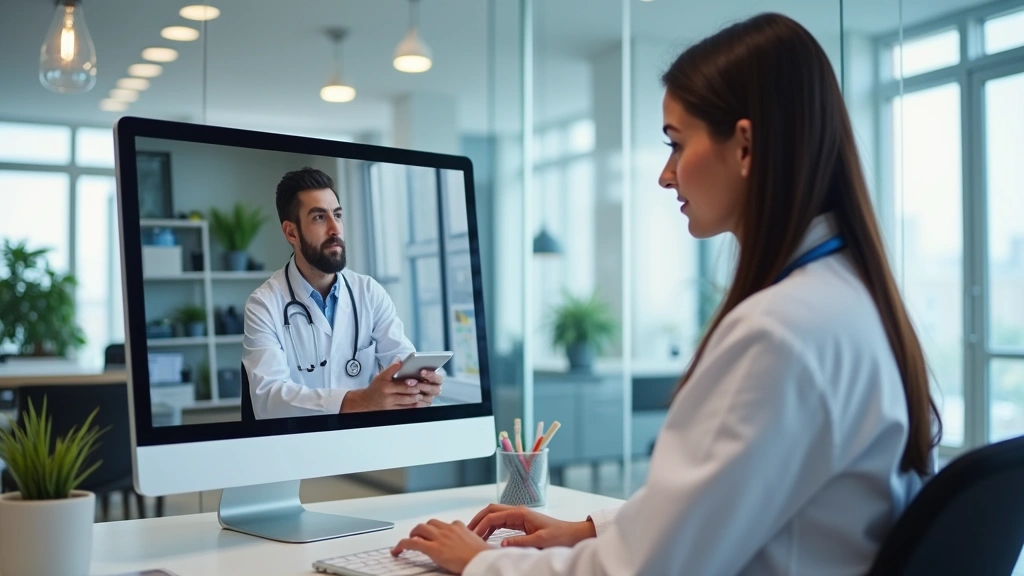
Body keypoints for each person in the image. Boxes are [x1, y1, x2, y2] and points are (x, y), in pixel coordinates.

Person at [389, 12, 941, 575]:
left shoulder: (779, 332)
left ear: (744, 146)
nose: (665, 174)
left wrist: (481, 562)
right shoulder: (851, 300)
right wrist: (590, 529)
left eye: (676, 144)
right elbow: (722, 503)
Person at [242, 167, 443, 419]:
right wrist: (361, 400)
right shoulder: (264, 304)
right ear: (291, 232)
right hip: (301, 441)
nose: (335, 229)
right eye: (319, 217)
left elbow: (401, 359)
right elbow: (269, 399)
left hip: (365, 438)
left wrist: (420, 382)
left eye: (337, 215)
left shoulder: (369, 292)